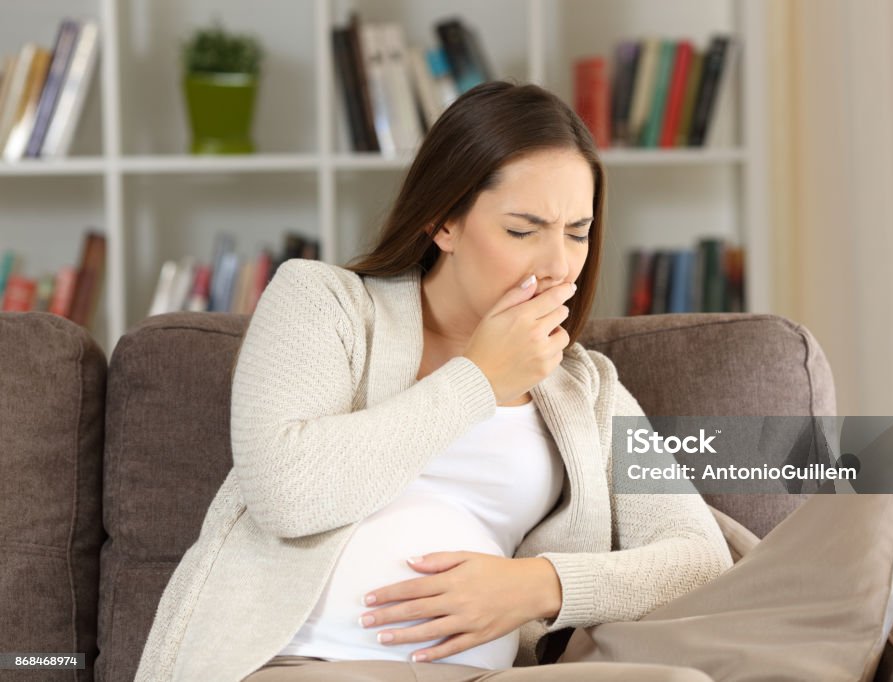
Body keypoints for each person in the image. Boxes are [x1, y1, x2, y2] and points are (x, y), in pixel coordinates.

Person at [133, 80, 733, 682]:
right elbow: (286, 493)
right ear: (444, 223)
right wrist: (479, 379)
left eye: (577, 232)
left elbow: (696, 555)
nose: (557, 265)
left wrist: (538, 586)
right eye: (523, 231)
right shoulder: (325, 305)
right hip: (306, 663)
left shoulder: (587, 388)